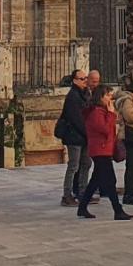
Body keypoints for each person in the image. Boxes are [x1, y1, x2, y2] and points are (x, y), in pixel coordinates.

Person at [76, 83, 133, 221]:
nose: (110, 98)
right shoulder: (96, 112)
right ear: (100, 97)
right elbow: (106, 130)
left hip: (104, 149)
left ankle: (82, 207)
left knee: (96, 180)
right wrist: (111, 114)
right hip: (100, 150)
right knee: (110, 180)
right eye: (107, 95)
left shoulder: (102, 111)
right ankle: (118, 210)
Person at [53, 71, 90, 208]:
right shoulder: (73, 96)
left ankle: (83, 192)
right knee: (73, 165)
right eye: (82, 78)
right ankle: (67, 195)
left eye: (86, 78)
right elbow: (76, 119)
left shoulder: (84, 94)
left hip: (83, 136)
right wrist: (87, 132)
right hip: (74, 136)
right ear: (75, 80)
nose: (85, 80)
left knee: (86, 163)